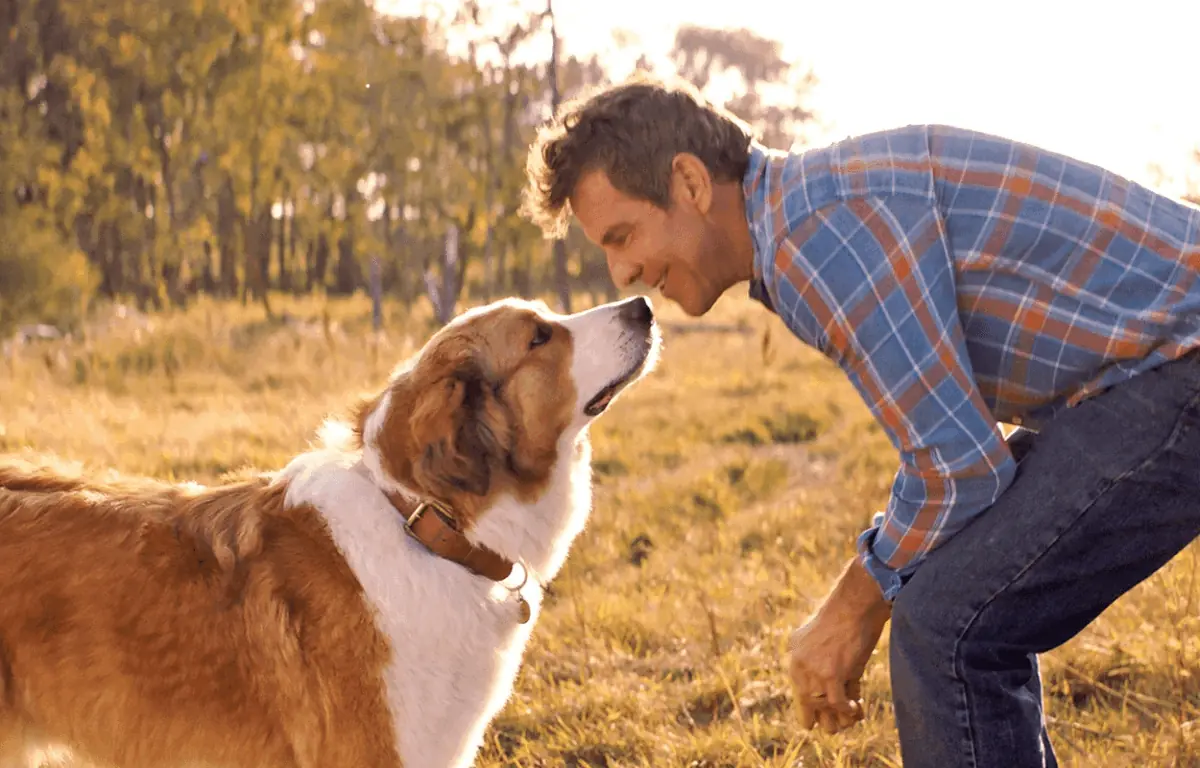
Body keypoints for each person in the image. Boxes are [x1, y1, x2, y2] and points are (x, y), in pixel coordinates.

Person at [519, 72, 1200, 768]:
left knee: (947, 627)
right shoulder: (807, 220)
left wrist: (854, 601)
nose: (621, 273)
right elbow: (963, 454)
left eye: (623, 234)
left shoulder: (818, 236)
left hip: (1182, 363)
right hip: (1147, 374)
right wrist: (879, 578)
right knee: (947, 608)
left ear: (690, 183)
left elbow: (961, 467)